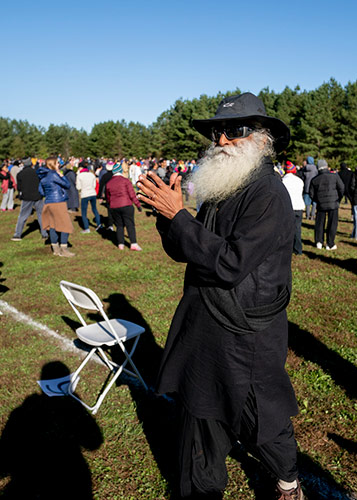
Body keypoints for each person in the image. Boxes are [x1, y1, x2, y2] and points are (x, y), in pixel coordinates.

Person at [136, 92, 303, 499]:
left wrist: (179, 218)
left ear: (262, 138)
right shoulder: (220, 186)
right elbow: (187, 249)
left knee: (261, 421)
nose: (222, 140)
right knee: (199, 413)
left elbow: (230, 262)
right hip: (203, 325)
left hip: (247, 333)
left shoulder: (268, 193)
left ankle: (288, 482)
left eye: (235, 130)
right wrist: (168, 219)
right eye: (217, 131)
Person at [37, 157, 75, 257]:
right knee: (65, 226)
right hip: (58, 202)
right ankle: (64, 249)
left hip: (48, 202)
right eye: (57, 163)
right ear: (53, 164)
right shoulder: (54, 175)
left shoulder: (43, 176)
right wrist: (62, 176)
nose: (59, 164)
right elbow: (67, 185)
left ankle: (56, 249)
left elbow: (41, 191)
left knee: (52, 226)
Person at [104, 161, 143, 250]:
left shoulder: (109, 183)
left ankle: (120, 244)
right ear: (121, 171)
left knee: (119, 226)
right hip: (126, 205)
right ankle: (133, 243)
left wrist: (110, 205)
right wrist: (138, 205)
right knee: (130, 225)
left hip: (114, 207)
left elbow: (108, 197)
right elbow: (132, 194)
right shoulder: (125, 181)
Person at [309, 159, 345, 250]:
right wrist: (338, 199)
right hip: (333, 203)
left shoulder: (315, 180)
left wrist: (317, 200)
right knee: (332, 224)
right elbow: (342, 188)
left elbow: (311, 194)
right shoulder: (335, 176)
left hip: (321, 204)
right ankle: (330, 243)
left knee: (319, 223)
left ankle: (319, 242)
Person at [11, 159, 47, 241]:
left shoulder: (20, 174)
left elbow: (19, 187)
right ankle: (44, 233)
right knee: (41, 215)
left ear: (23, 164)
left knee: (23, 216)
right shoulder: (37, 172)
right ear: (31, 164)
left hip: (27, 197)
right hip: (38, 196)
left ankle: (17, 235)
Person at [281, 162, 305, 255]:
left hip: (288, 207)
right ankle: (298, 249)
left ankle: (287, 248)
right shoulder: (299, 181)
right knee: (297, 229)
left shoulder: (283, 181)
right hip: (298, 206)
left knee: (286, 229)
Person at [76, 161, 102, 232]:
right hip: (92, 193)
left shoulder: (79, 176)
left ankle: (87, 228)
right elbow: (94, 185)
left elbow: (78, 187)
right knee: (94, 209)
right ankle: (99, 224)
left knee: (84, 212)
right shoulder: (91, 175)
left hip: (85, 194)